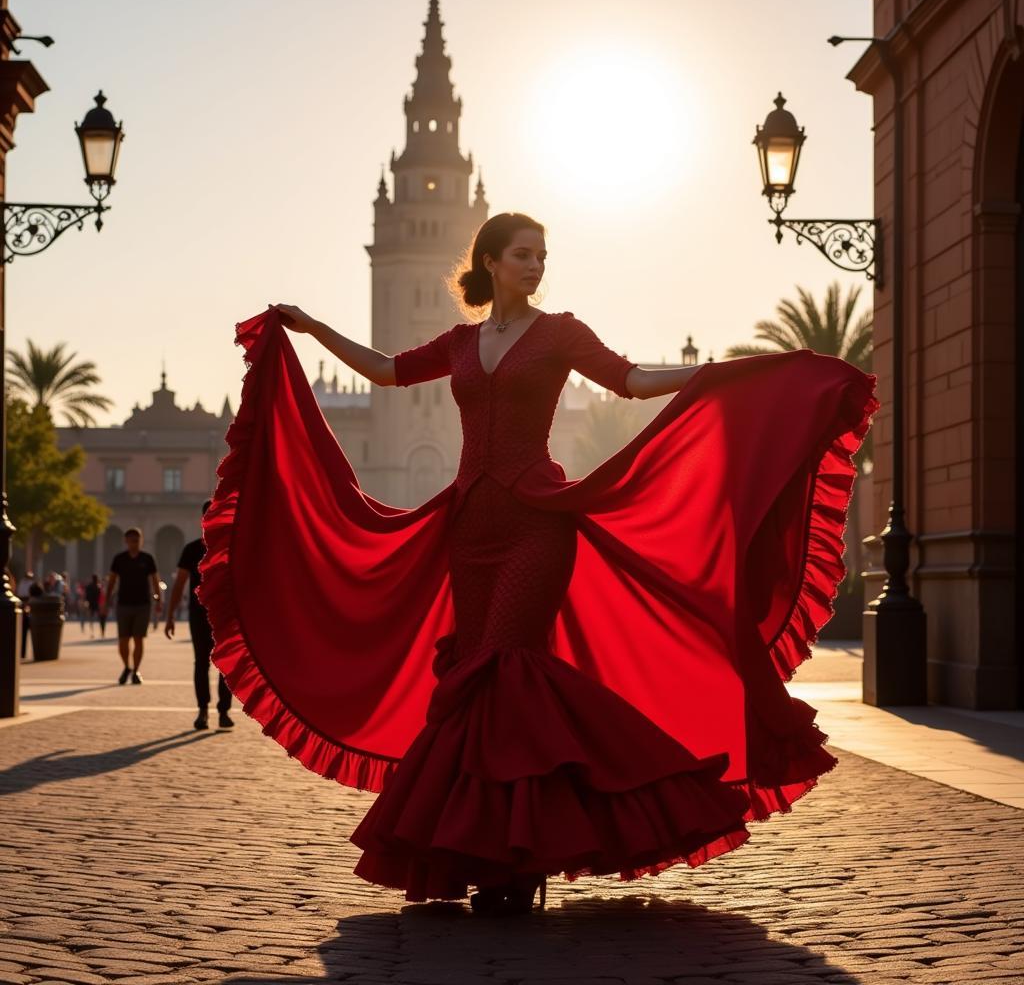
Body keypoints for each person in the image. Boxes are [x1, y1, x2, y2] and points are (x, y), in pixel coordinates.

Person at [199, 212, 878, 916]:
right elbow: (388, 371)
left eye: (541, 256)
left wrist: (720, 375)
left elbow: (632, 380)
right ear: (490, 262)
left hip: (537, 522)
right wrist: (311, 328)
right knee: (479, 679)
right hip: (469, 527)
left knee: (508, 664)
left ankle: (517, 857)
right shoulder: (462, 342)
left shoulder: (560, 333)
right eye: (523, 255)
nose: (535, 266)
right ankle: (493, 849)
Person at [165, 501, 234, 731]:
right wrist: (170, 614)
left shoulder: (231, 547)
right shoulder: (192, 549)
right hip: (199, 614)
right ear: (204, 519)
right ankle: (203, 709)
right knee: (201, 663)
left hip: (225, 615)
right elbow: (180, 584)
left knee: (225, 665)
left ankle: (223, 710)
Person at [104, 528, 161, 684]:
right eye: (131, 541)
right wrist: (106, 600)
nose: (134, 544)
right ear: (126, 541)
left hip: (143, 604)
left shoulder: (147, 558)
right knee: (123, 640)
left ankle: (136, 670)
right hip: (123, 604)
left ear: (141, 541)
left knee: (138, 639)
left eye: (136, 541)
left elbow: (155, 580)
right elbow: (112, 581)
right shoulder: (119, 559)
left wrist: (158, 600)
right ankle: (126, 667)